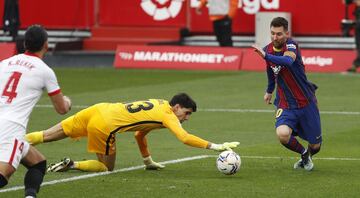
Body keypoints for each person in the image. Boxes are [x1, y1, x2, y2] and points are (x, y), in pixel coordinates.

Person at [26, 93, 239, 172]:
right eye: (187, 112)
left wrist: (147, 161)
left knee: (45, 135)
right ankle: (73, 164)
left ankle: (8, 142)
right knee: (105, 167)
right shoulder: (168, 116)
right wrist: (215, 146)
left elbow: (140, 134)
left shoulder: (160, 103)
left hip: (98, 109)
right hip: (105, 125)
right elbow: (184, 138)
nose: (187, 117)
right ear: (176, 107)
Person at [0, 25, 72, 197]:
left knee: (38, 163)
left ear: (25, 43)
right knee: (4, 174)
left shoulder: (4, 63)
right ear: (46, 45)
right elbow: (62, 109)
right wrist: (68, 102)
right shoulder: (44, 70)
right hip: (11, 127)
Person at [252, 17, 322, 171]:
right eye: (272, 33)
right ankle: (303, 154)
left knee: (316, 145)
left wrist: (265, 56)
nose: (275, 37)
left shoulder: (292, 45)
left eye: (279, 34)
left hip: (306, 101)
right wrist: (269, 90)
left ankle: (309, 154)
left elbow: (287, 62)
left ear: (286, 33)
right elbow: (271, 71)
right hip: (285, 103)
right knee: (282, 134)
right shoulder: (268, 49)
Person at [344, 0, 360, 72]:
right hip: (358, 21)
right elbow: (345, 2)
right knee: (358, 44)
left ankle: (356, 64)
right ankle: (356, 64)